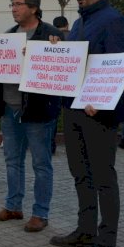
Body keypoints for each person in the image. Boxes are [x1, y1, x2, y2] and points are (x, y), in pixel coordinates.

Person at [49, 0, 124, 247]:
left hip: (99, 115)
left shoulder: (114, 21)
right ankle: (85, 230)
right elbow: (77, 63)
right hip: (73, 109)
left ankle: (107, 243)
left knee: (103, 179)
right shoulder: (78, 23)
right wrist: (57, 52)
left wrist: (104, 105)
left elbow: (121, 70)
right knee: (80, 173)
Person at [0, 0, 63, 232]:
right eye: (12, 4)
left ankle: (40, 213)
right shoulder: (9, 35)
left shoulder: (51, 35)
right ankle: (13, 206)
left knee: (41, 163)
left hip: (38, 111)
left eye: (18, 4)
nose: (14, 8)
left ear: (33, 8)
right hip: (10, 108)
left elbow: (63, 68)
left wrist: (53, 50)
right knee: (12, 160)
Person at [51, 16, 70, 155]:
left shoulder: (52, 39)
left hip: (56, 83)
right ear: (67, 24)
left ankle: (51, 145)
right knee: (70, 115)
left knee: (54, 117)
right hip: (72, 82)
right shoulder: (75, 36)